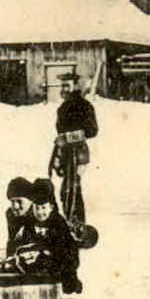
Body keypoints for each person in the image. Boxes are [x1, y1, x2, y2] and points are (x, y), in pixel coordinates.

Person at [52, 73, 99, 227]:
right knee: (66, 190)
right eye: (62, 85)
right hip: (65, 154)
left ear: (76, 86)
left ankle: (78, 225)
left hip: (79, 154)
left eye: (67, 85)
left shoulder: (85, 106)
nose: (64, 89)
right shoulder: (62, 108)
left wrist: (68, 138)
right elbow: (60, 133)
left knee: (72, 189)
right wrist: (58, 155)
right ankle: (70, 223)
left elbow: (92, 131)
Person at [3, 176, 35, 257]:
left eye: (19, 201)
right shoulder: (11, 214)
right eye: (12, 201)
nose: (15, 206)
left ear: (31, 200)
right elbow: (12, 243)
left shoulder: (40, 214)